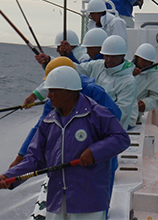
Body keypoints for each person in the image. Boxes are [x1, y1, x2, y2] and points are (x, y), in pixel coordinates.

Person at [0, 65, 130, 220]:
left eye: (53, 91)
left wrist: (94, 152)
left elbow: (121, 138)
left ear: (69, 91)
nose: (49, 95)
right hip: (56, 201)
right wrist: (9, 177)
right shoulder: (49, 121)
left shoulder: (97, 113)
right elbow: (34, 158)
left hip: (89, 203)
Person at [14, 57, 121, 206]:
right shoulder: (54, 101)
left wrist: (95, 148)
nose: (49, 94)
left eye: (52, 88)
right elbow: (40, 130)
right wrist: (19, 161)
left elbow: (117, 122)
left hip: (98, 162)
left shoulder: (94, 92)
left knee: (99, 199)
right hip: (69, 165)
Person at [74, 35, 139, 130]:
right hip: (99, 116)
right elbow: (78, 68)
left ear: (122, 56)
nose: (108, 60)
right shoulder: (98, 65)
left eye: (113, 56)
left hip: (122, 121)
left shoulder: (129, 82)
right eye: (106, 55)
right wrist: (50, 61)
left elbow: (121, 115)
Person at [131, 43, 158, 122]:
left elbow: (155, 98)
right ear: (137, 58)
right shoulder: (126, 67)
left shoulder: (154, 76)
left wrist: (145, 104)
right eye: (143, 61)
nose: (146, 64)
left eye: (148, 62)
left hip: (133, 113)